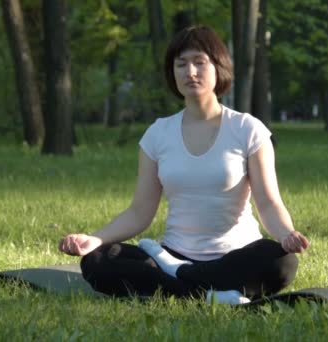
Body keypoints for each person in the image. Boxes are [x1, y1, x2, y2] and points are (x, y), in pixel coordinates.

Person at [58, 25, 309, 304]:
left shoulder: (247, 129)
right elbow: (140, 211)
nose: (190, 72)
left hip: (235, 256)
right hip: (171, 253)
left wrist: (287, 234)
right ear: (172, 72)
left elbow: (268, 202)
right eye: (181, 64)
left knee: (281, 262)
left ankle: (178, 283)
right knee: (97, 261)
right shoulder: (157, 134)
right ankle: (209, 294)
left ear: (219, 67)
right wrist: (94, 239)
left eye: (199, 62)